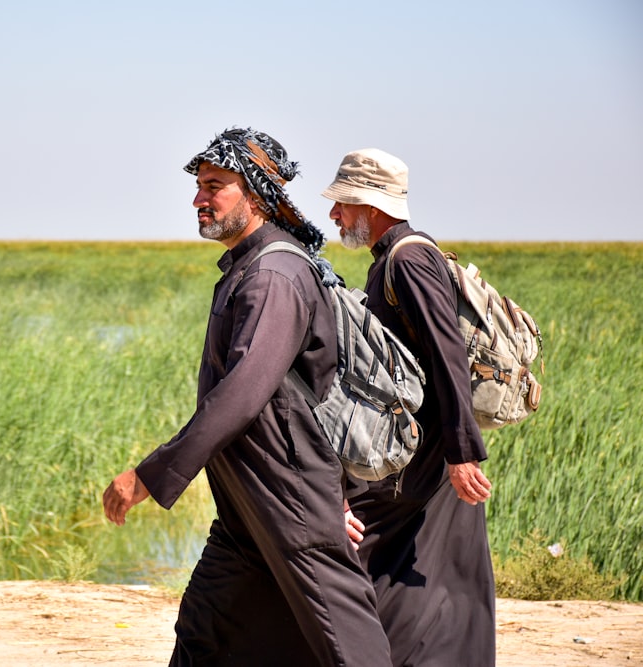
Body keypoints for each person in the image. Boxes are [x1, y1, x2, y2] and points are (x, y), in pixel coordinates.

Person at [103, 128, 392, 666]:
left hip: (291, 499)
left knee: (346, 645)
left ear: (256, 195)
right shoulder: (251, 266)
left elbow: (241, 395)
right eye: (198, 186)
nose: (198, 199)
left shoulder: (274, 274)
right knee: (206, 634)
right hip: (248, 506)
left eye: (215, 185)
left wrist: (150, 475)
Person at [321, 148, 496, 666]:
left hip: (421, 455)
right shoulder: (391, 259)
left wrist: (462, 451)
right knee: (433, 576)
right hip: (422, 449)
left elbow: (447, 354)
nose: (334, 215)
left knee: (387, 567)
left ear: (371, 206)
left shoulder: (408, 259)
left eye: (343, 204)